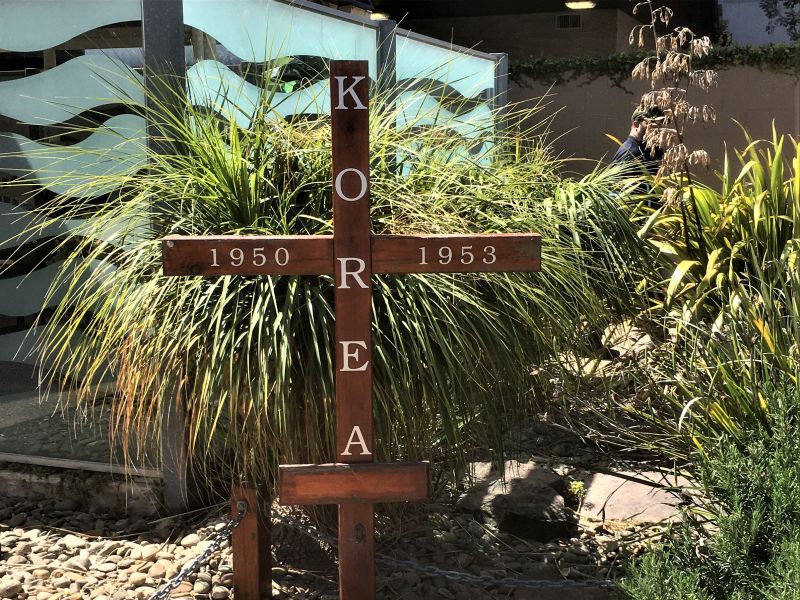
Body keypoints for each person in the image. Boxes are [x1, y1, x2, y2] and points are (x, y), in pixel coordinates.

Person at [611, 105, 665, 176]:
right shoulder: (630, 153)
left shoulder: (650, 150)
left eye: (659, 126)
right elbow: (617, 186)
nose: (656, 130)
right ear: (636, 125)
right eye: (650, 125)